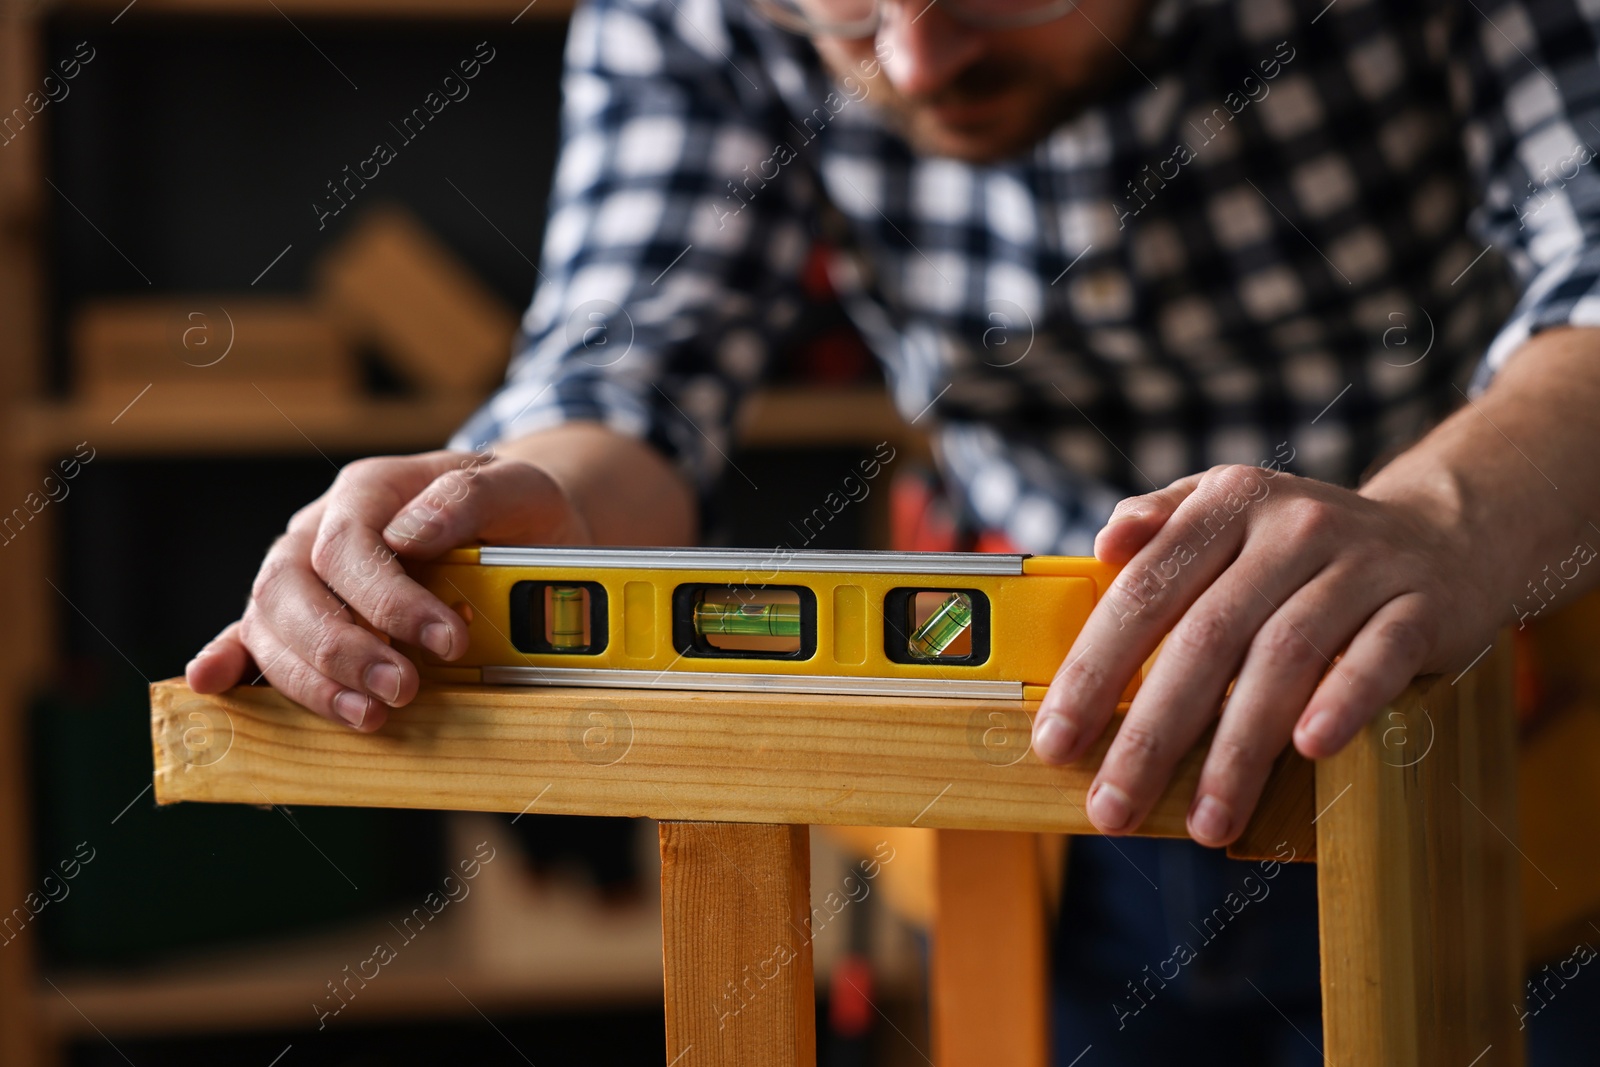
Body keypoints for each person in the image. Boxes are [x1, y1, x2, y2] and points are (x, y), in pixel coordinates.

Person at [189, 0, 1600, 1060]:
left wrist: (1436, 521)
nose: (916, 62)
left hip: (1488, 719)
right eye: (849, 6)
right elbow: (623, 383)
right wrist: (490, 511)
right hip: (1053, 768)